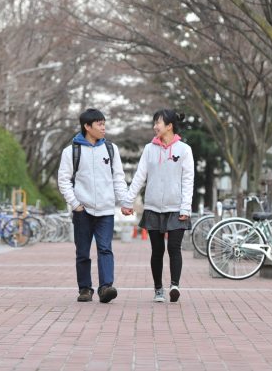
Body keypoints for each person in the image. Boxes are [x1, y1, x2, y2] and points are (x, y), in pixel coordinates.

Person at [58, 108, 130, 304]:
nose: (103, 127)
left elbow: (118, 178)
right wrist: (75, 204)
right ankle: (85, 289)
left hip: (106, 210)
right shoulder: (71, 151)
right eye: (99, 124)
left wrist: (124, 201)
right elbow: (63, 180)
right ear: (87, 127)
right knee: (82, 251)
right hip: (83, 210)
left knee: (105, 249)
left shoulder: (110, 149)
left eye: (104, 123)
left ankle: (106, 287)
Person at [124, 109, 195, 303]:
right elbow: (140, 176)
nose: (155, 126)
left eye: (158, 123)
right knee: (157, 250)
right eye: (154, 122)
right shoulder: (149, 149)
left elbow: (188, 180)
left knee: (174, 248)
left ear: (170, 126)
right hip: (153, 207)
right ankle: (158, 289)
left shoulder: (184, 150)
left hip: (176, 208)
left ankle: (174, 286)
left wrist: (185, 208)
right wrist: (128, 201)